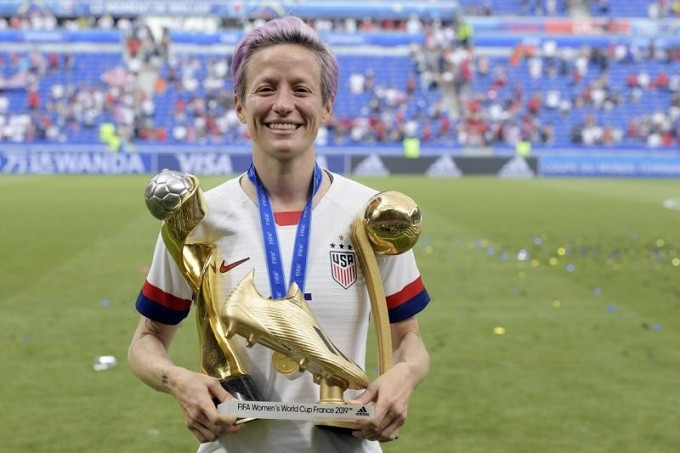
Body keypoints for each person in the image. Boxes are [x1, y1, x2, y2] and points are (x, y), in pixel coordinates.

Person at [128, 15, 431, 452]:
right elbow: (146, 339)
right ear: (239, 105)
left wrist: (405, 376)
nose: (283, 104)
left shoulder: (372, 217)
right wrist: (177, 379)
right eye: (266, 88)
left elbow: (411, 341)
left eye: (301, 89)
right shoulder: (196, 219)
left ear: (326, 106)